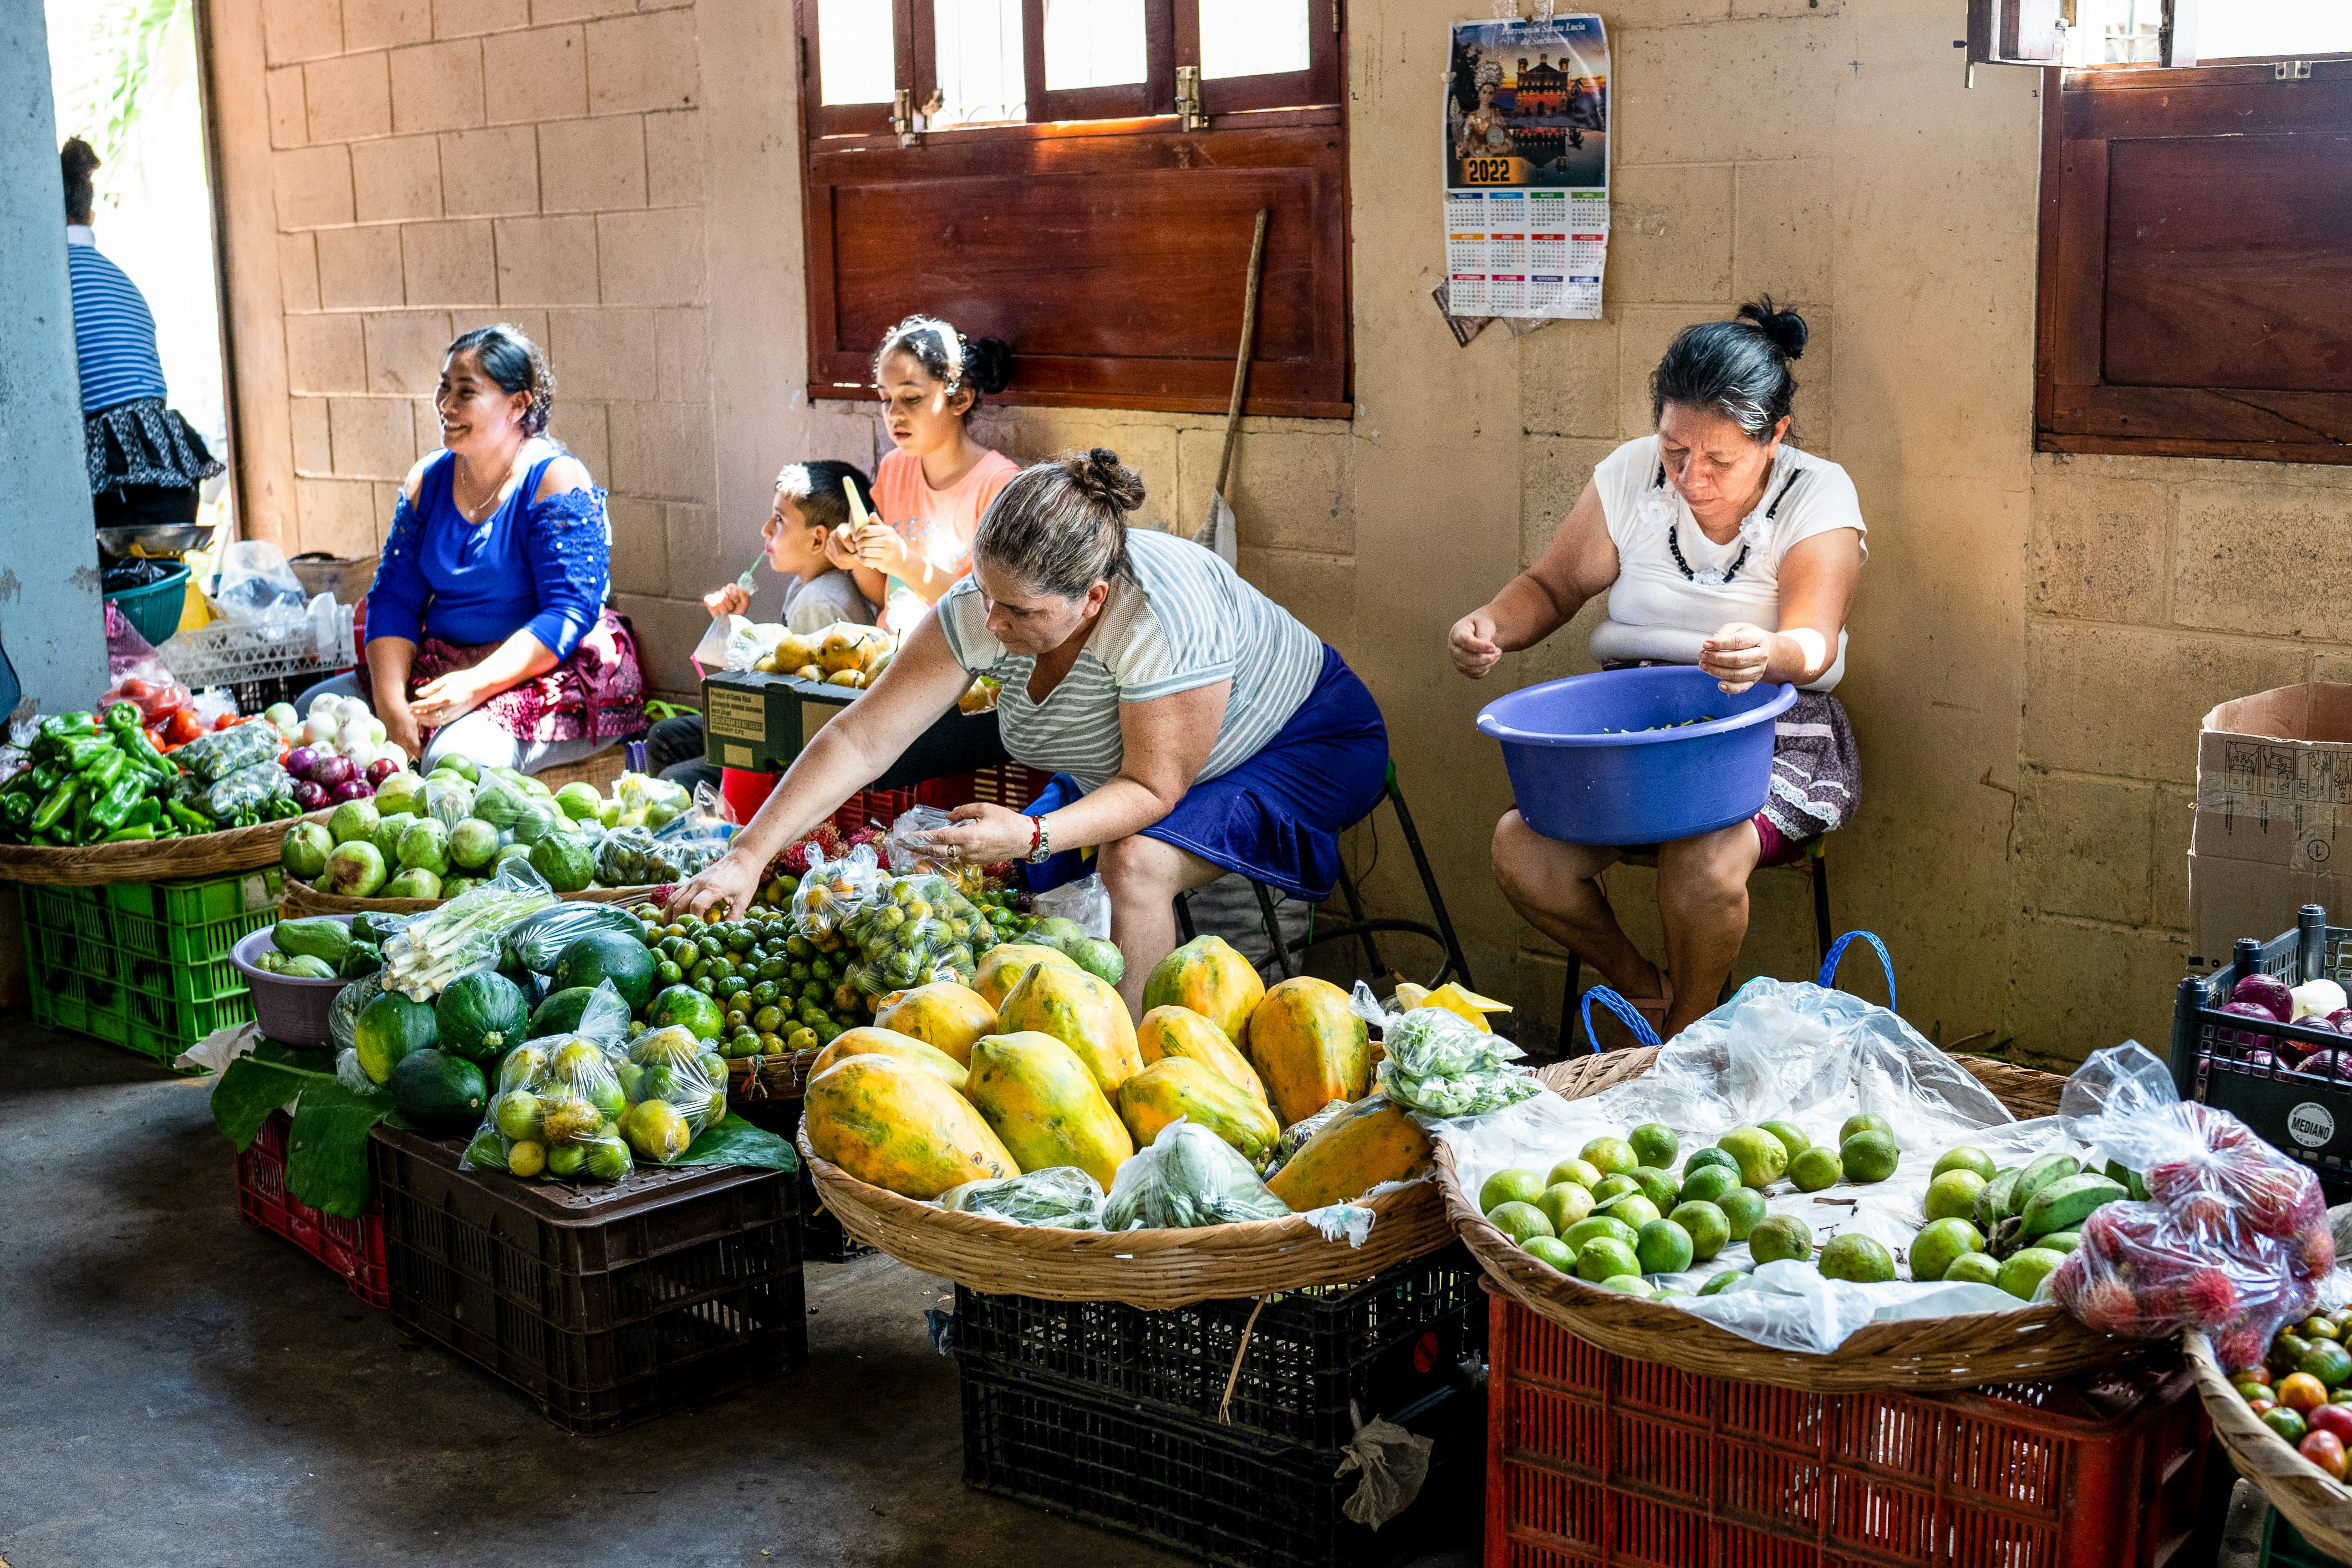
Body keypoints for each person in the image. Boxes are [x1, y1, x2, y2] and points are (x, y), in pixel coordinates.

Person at [670, 449, 1390, 1014]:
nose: (991, 625)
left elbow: (1149, 786)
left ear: (1094, 600)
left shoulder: (1162, 619)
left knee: (1134, 864)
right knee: (977, 871)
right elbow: (862, 738)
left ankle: (1131, 1084)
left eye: (1017, 612)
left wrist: (1034, 835)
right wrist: (748, 853)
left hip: (1302, 742)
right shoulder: (991, 602)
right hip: (1143, 766)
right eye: (984, 594)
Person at [1451, 299, 1865, 1042]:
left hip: (1768, 720)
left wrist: (1767, 653)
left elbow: (1814, 639)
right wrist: (1491, 626)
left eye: (1718, 460)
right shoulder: (1629, 477)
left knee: (1701, 860)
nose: (1690, 477)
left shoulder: (1817, 492)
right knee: (1521, 849)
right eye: (1675, 451)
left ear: (1772, 437)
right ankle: (1644, 991)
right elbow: (1551, 589)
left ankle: (1687, 1034)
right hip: (1636, 725)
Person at [296, 324, 644, 774]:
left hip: (542, 672)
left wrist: (475, 687)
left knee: (454, 761)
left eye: (465, 392)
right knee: (314, 712)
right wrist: (391, 704)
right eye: (444, 387)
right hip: (448, 664)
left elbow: (568, 613)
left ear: (519, 404)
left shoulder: (555, 480)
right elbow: (395, 600)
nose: (446, 405)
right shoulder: (429, 480)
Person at [643, 460, 880, 795]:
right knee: (664, 737)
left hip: (798, 757)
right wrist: (737, 627)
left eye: (780, 520)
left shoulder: (819, 603)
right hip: (783, 728)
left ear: (818, 541)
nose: (766, 529)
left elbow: (808, 711)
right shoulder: (806, 587)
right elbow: (785, 661)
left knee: (675, 778)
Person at [60, 139, 223, 532]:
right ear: (91, 217)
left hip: (118, 492)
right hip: (173, 486)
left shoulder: (52, 289)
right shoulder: (120, 281)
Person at [836, 315, 1020, 633]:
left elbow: (988, 613)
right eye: (885, 399)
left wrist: (903, 561)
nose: (894, 414)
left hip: (966, 666)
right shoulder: (894, 468)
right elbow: (884, 596)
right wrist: (857, 559)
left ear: (960, 399)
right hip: (893, 652)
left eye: (911, 398)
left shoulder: (999, 485)